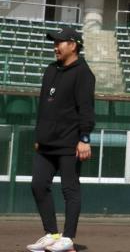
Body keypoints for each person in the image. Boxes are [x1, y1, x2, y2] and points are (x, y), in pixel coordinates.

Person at [27, 25, 96, 252]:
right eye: (54, 42)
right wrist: (40, 135)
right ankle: (52, 233)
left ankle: (67, 238)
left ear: (73, 45)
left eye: (59, 42)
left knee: (70, 190)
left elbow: (86, 109)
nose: (55, 46)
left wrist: (84, 138)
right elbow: (44, 108)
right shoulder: (50, 70)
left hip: (70, 143)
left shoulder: (83, 73)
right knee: (38, 185)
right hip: (46, 143)